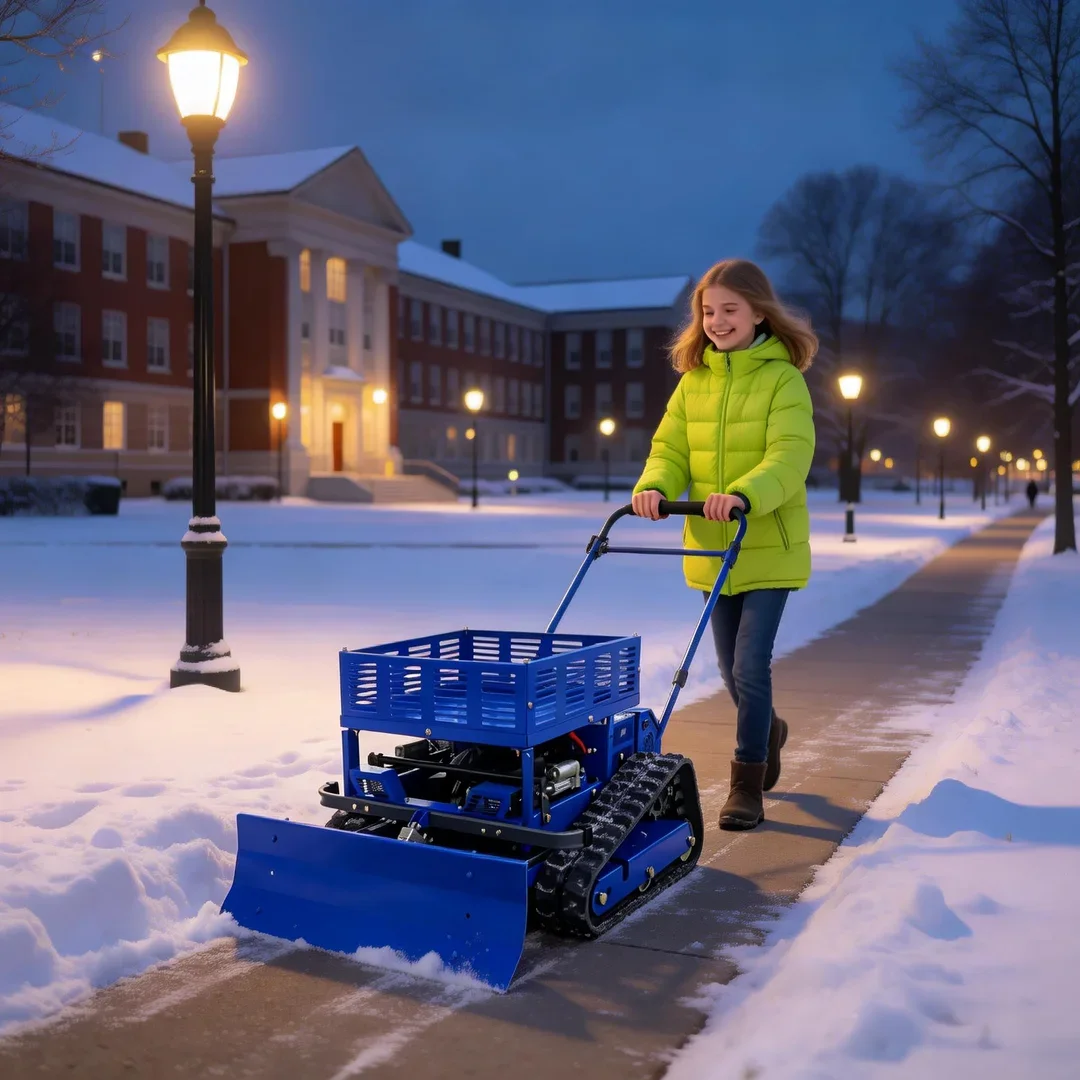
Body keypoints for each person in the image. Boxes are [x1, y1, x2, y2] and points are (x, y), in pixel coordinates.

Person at [631, 259, 816, 831]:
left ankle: (747, 782)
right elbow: (671, 450)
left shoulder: (783, 379)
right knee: (729, 670)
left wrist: (741, 493)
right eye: (708, 311)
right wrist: (655, 486)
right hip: (715, 548)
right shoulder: (695, 382)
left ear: (760, 311)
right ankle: (769, 728)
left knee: (750, 665)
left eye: (729, 310)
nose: (717, 321)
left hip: (767, 545)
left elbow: (789, 457)